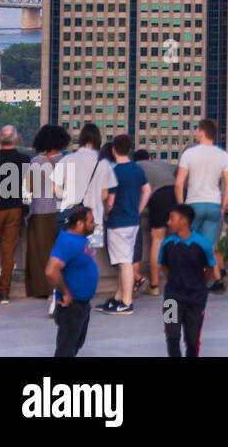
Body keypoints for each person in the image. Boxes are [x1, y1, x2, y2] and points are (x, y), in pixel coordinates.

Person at [174, 118, 228, 292]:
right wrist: (223, 204)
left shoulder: (190, 154)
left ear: (201, 132)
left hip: (194, 203)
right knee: (209, 246)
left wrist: (181, 206)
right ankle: (218, 280)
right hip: (214, 203)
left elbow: (179, 183)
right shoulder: (223, 155)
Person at [98, 134, 149, 314]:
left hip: (118, 221)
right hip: (133, 221)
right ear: (129, 149)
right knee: (124, 260)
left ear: (113, 150)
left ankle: (126, 301)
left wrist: (106, 213)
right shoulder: (136, 169)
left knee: (124, 262)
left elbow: (109, 201)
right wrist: (138, 209)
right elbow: (147, 190)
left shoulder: (114, 172)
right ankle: (118, 297)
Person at [0, 125, 30, 304]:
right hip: (15, 209)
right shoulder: (25, 160)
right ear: (16, 140)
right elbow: (29, 187)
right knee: (9, 251)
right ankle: (4, 293)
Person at [158, 204, 217, 357]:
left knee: (192, 339)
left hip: (196, 299)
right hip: (171, 298)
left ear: (184, 221)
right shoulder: (167, 244)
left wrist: (198, 285)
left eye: (172, 218)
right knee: (172, 336)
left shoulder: (202, 244)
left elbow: (209, 269)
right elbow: (166, 268)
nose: (168, 222)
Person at [46, 206, 99, 357]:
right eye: (91, 221)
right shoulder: (67, 242)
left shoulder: (79, 239)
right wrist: (66, 292)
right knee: (66, 350)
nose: (95, 224)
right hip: (71, 306)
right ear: (79, 224)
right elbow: (51, 271)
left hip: (81, 304)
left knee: (74, 344)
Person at [25, 125, 68, 300]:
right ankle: (60, 287)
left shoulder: (37, 162)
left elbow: (29, 187)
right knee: (59, 252)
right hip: (61, 211)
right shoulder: (66, 161)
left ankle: (45, 288)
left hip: (40, 211)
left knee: (41, 253)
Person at [136, 150, 179, 298]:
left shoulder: (136, 166)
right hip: (178, 193)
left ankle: (154, 286)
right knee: (179, 239)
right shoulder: (164, 163)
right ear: (150, 157)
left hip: (160, 196)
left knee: (158, 239)